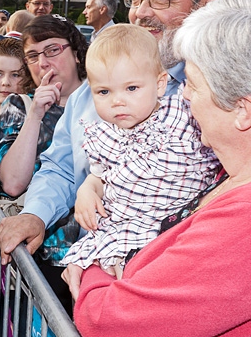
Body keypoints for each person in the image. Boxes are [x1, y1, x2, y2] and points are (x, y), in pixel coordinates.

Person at [0, 0, 222, 272]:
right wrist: (35, 214)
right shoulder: (91, 94)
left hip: (179, 278)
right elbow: (61, 167)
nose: (141, 13)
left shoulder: (226, 96)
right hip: (86, 271)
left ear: (206, 5)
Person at [69, 0, 251, 337]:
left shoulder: (242, 223)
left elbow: (110, 326)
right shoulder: (223, 175)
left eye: (193, 86)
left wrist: (91, 265)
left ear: (242, 109)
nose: (182, 98)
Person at [61, 24, 219, 276]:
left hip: (177, 228)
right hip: (124, 230)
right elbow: (100, 175)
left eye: (131, 88)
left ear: (159, 84)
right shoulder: (104, 135)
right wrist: (88, 190)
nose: (117, 100)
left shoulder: (182, 115)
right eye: (104, 91)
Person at [0, 15, 87, 315]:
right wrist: (36, 115)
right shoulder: (19, 105)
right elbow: (13, 182)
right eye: (33, 55)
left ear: (77, 54)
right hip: (42, 252)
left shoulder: (107, 99)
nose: (43, 62)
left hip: (93, 254)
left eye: (53, 50)